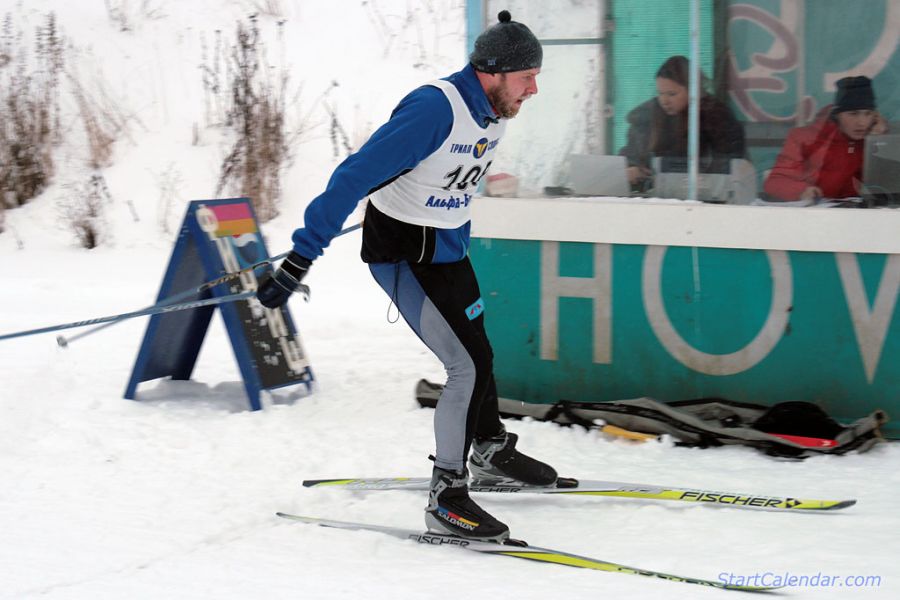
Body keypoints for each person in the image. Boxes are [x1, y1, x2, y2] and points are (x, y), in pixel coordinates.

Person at [256, 11, 557, 542]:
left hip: (447, 249)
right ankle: (446, 496)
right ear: (492, 72)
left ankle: (487, 451)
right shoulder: (433, 110)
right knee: (463, 367)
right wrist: (300, 258)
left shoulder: (496, 107)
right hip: (402, 256)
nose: (535, 88)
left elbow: (448, 173)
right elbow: (352, 177)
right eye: (526, 76)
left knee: (480, 352)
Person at [619, 55, 746, 190]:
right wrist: (631, 167)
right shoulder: (647, 116)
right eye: (660, 93)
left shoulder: (716, 117)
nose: (664, 101)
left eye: (672, 94)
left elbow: (730, 163)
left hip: (705, 196)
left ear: (693, 90)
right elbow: (632, 153)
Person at [763, 76, 889, 202]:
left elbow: (884, 187)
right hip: (816, 215)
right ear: (836, 116)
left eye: (868, 114)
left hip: (859, 214)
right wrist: (801, 191)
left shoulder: (873, 140)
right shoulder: (804, 138)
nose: (861, 123)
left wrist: (879, 142)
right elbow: (775, 181)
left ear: (875, 117)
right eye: (853, 114)